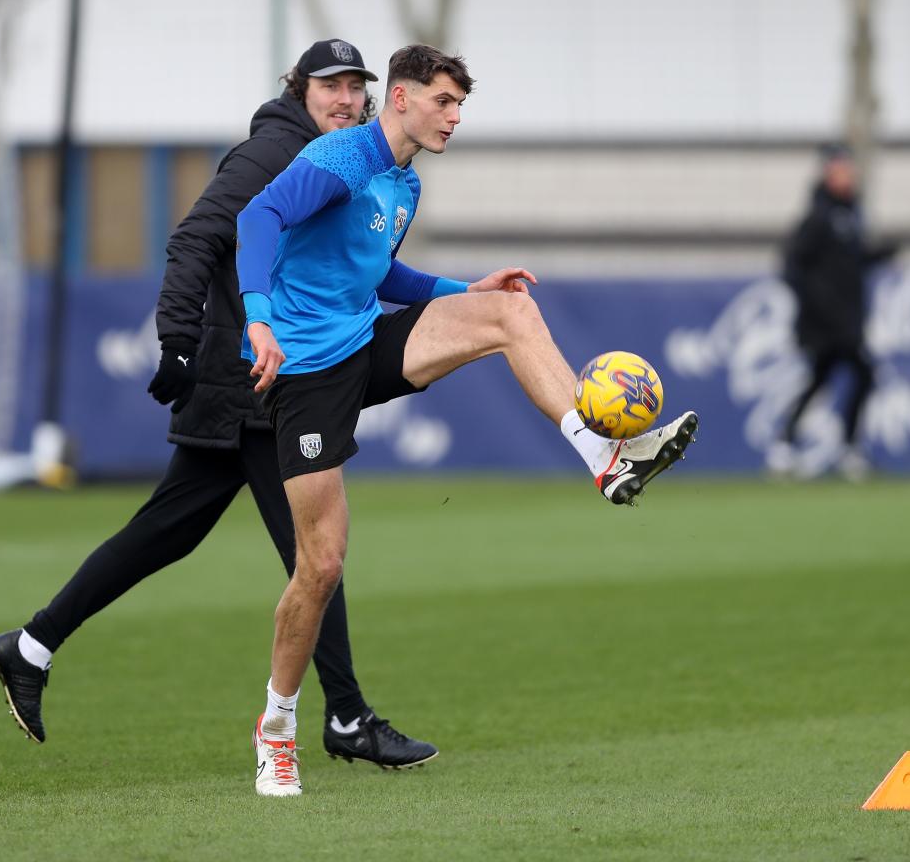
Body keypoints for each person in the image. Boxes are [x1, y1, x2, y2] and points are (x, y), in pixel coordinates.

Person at [236, 44, 699, 797]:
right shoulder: (342, 157)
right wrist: (258, 319)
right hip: (305, 370)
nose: (454, 117)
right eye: (444, 101)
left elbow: (378, 270)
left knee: (509, 311)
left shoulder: (404, 182)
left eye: (460, 105)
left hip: (364, 341)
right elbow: (259, 217)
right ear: (401, 98)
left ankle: (604, 455)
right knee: (320, 567)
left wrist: (466, 290)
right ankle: (277, 727)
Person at [0, 39, 437, 769]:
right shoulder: (272, 153)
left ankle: (31, 646)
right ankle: (348, 716)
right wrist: (176, 340)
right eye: (331, 87)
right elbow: (196, 237)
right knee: (315, 557)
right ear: (300, 89)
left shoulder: (352, 158)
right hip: (253, 379)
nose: (348, 100)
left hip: (261, 375)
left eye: (357, 87)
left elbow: (367, 265)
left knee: (170, 531)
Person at [768, 143, 897, 479]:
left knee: (829, 378)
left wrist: (879, 255)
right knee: (853, 375)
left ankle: (792, 442)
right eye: (840, 169)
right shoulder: (818, 217)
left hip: (847, 321)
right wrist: (816, 306)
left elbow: (850, 264)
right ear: (827, 173)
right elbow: (792, 267)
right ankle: (836, 448)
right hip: (825, 324)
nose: (847, 176)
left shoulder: (851, 215)